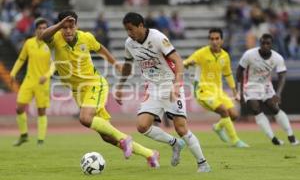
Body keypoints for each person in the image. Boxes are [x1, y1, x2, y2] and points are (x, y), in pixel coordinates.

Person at [39, 10, 159, 168]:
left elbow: (101, 49)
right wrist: (60, 24)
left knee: (85, 118)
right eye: (64, 27)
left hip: (94, 84)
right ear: (60, 27)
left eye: (71, 26)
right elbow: (43, 36)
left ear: (76, 25)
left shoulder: (86, 37)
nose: (68, 31)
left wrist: (116, 64)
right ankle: (149, 154)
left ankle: (125, 139)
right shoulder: (54, 38)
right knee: (107, 136)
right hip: (78, 91)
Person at [116, 12, 211, 172]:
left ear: (141, 26)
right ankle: (175, 144)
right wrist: (120, 86)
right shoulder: (129, 44)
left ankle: (203, 163)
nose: (129, 33)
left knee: (180, 128)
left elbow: (178, 60)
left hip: (170, 84)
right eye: (127, 30)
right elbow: (127, 66)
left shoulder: (157, 38)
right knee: (142, 126)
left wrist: (177, 83)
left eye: (131, 29)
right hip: (152, 87)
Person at [184, 28, 249, 148]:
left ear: (222, 40)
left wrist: (235, 91)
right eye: (212, 39)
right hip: (203, 91)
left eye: (217, 38)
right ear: (209, 40)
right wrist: (189, 63)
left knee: (234, 115)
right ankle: (235, 141)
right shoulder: (201, 53)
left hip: (218, 91)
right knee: (224, 111)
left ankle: (218, 127)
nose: (214, 41)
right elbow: (186, 62)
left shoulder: (225, 56)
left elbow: (228, 74)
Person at [236, 33, 299, 146]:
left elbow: (282, 74)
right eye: (263, 43)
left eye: (268, 43)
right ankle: (273, 139)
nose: (265, 45)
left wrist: (278, 93)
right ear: (260, 43)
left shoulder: (277, 57)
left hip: (266, 86)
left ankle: (291, 136)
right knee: (256, 110)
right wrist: (240, 91)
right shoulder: (249, 54)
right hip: (251, 86)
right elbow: (239, 71)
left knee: (275, 108)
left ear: (271, 45)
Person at [10, 18, 54, 146]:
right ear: (35, 30)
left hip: (43, 83)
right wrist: (13, 72)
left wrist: (47, 75)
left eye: (44, 28)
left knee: (41, 111)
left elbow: (54, 64)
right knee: (19, 108)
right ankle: (24, 135)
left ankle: (40, 140)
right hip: (29, 81)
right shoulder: (29, 43)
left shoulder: (50, 44)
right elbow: (21, 59)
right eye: (39, 28)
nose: (42, 30)